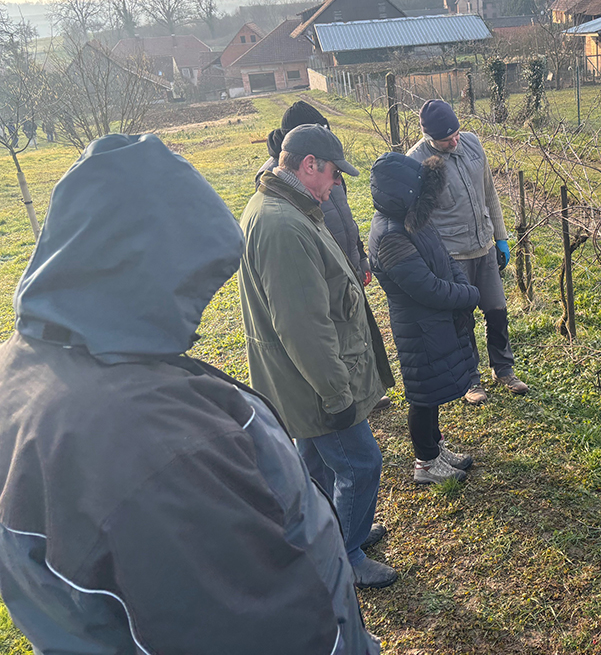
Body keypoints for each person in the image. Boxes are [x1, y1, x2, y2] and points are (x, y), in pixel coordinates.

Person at [0, 133, 380, 654]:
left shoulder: (20, 370)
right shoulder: (163, 445)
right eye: (192, 283)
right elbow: (263, 624)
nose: (197, 317)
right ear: (144, 265)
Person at [239, 124, 397, 589]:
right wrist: (336, 395)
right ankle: (345, 555)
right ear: (309, 165)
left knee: (314, 465)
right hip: (313, 382)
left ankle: (325, 536)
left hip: (299, 379)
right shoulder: (284, 225)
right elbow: (302, 327)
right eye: (333, 173)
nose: (336, 183)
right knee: (361, 463)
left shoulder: (288, 208)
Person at [368, 152, 481, 484]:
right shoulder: (390, 235)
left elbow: (444, 258)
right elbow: (427, 288)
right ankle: (426, 463)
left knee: (432, 393)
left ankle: (436, 447)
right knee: (422, 396)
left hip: (435, 323)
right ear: (404, 193)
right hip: (419, 329)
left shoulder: (412, 218)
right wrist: (469, 295)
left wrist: (463, 285)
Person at [407, 100, 527, 405]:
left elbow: (489, 193)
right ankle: (470, 378)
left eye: (456, 134)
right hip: (452, 255)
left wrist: (500, 237)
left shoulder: (472, 144)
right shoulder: (416, 161)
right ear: (429, 137)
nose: (455, 141)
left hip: (484, 246)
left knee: (497, 310)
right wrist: (431, 258)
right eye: (447, 139)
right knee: (462, 319)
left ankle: (503, 368)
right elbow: (417, 218)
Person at [259, 99, 371, 285]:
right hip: (326, 280)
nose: (337, 180)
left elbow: (344, 216)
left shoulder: (328, 165)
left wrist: (359, 256)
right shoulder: (276, 180)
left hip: (348, 270)